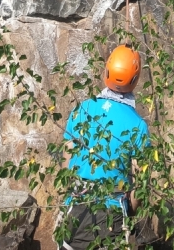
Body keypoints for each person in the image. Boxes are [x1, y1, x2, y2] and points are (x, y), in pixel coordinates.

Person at [61, 45, 150, 250]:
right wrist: (131, 212)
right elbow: (140, 185)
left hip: (76, 208)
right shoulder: (138, 126)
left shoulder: (81, 109)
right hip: (112, 216)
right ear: (135, 80)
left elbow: (67, 164)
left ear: (106, 72)